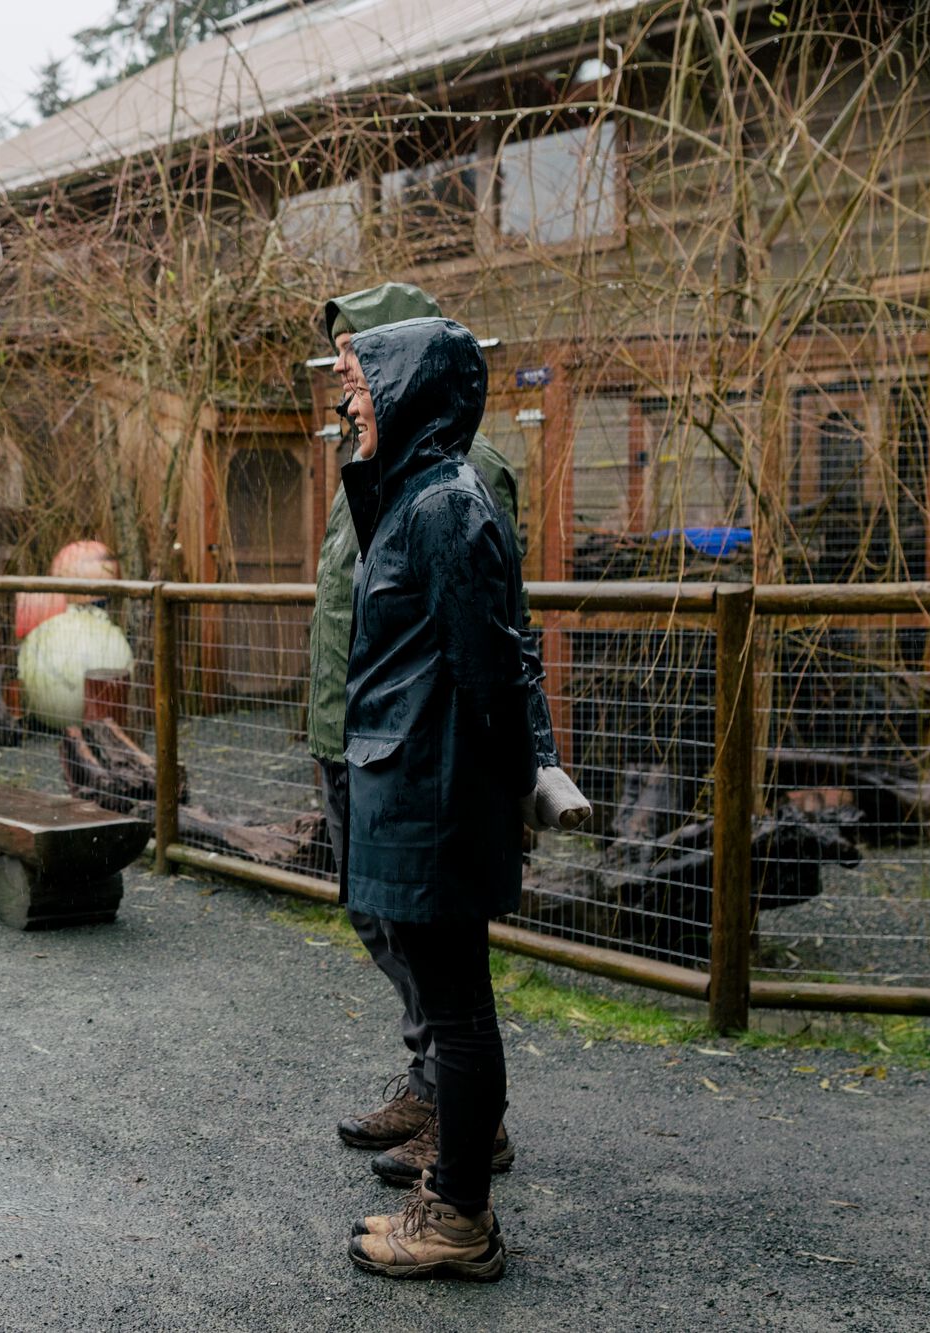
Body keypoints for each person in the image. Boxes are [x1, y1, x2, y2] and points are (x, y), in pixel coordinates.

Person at [308, 283, 557, 1187]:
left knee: (452, 982)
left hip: (428, 770)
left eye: (357, 370)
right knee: (400, 938)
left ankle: (460, 1166)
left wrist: (516, 770)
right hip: (372, 743)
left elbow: (490, 649)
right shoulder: (391, 472)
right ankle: (439, 1102)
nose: (346, 393)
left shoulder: (451, 488)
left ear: (401, 369)